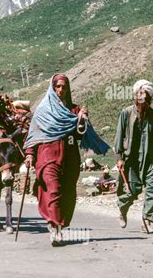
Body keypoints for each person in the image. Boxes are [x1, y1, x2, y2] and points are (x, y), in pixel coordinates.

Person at [24, 73, 109, 246]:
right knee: (53, 189)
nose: (61, 90)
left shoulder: (74, 110)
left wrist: (82, 120)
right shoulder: (43, 111)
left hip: (69, 158)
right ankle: (54, 228)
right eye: (58, 86)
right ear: (53, 87)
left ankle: (59, 224)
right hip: (47, 157)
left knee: (67, 192)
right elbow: (34, 134)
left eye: (64, 87)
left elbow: (79, 135)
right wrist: (30, 154)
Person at [114, 79, 153, 233]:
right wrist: (119, 158)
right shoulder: (126, 113)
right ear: (136, 97)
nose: (143, 100)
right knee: (131, 190)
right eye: (140, 96)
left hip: (152, 160)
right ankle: (123, 209)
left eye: (146, 97)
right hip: (132, 160)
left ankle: (147, 220)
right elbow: (119, 136)